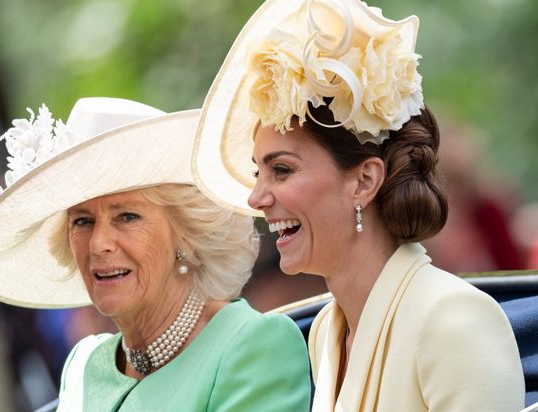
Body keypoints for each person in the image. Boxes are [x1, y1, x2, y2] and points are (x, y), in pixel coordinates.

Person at [192, 0, 525, 410]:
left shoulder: (453, 319)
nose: (256, 197)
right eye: (258, 172)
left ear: (364, 181)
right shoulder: (326, 332)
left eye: (281, 170)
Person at [0, 97, 311, 411]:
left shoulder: (253, 345)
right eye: (82, 221)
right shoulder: (84, 364)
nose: (98, 244)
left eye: (127, 216)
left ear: (187, 234)